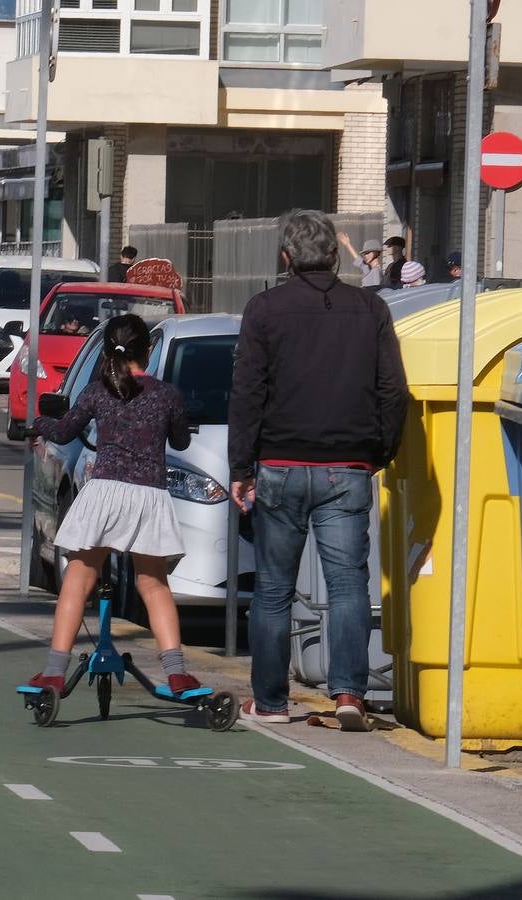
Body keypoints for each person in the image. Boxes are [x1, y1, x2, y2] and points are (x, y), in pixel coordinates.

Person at [226, 210, 408, 731]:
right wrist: (382, 452)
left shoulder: (263, 310)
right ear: (334, 255)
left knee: (273, 588)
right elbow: (393, 390)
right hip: (347, 467)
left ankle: (270, 701)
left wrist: (242, 466)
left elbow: (247, 392)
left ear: (286, 257)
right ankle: (349, 694)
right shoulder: (370, 308)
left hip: (279, 466)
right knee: (348, 585)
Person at [25, 314, 203, 696]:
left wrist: (38, 424)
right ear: (149, 350)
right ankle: (176, 673)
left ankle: (55, 672)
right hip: (148, 495)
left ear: (107, 351)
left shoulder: (96, 392)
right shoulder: (166, 395)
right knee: (153, 584)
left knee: (78, 578)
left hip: (103, 492)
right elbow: (182, 442)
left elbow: (64, 430)